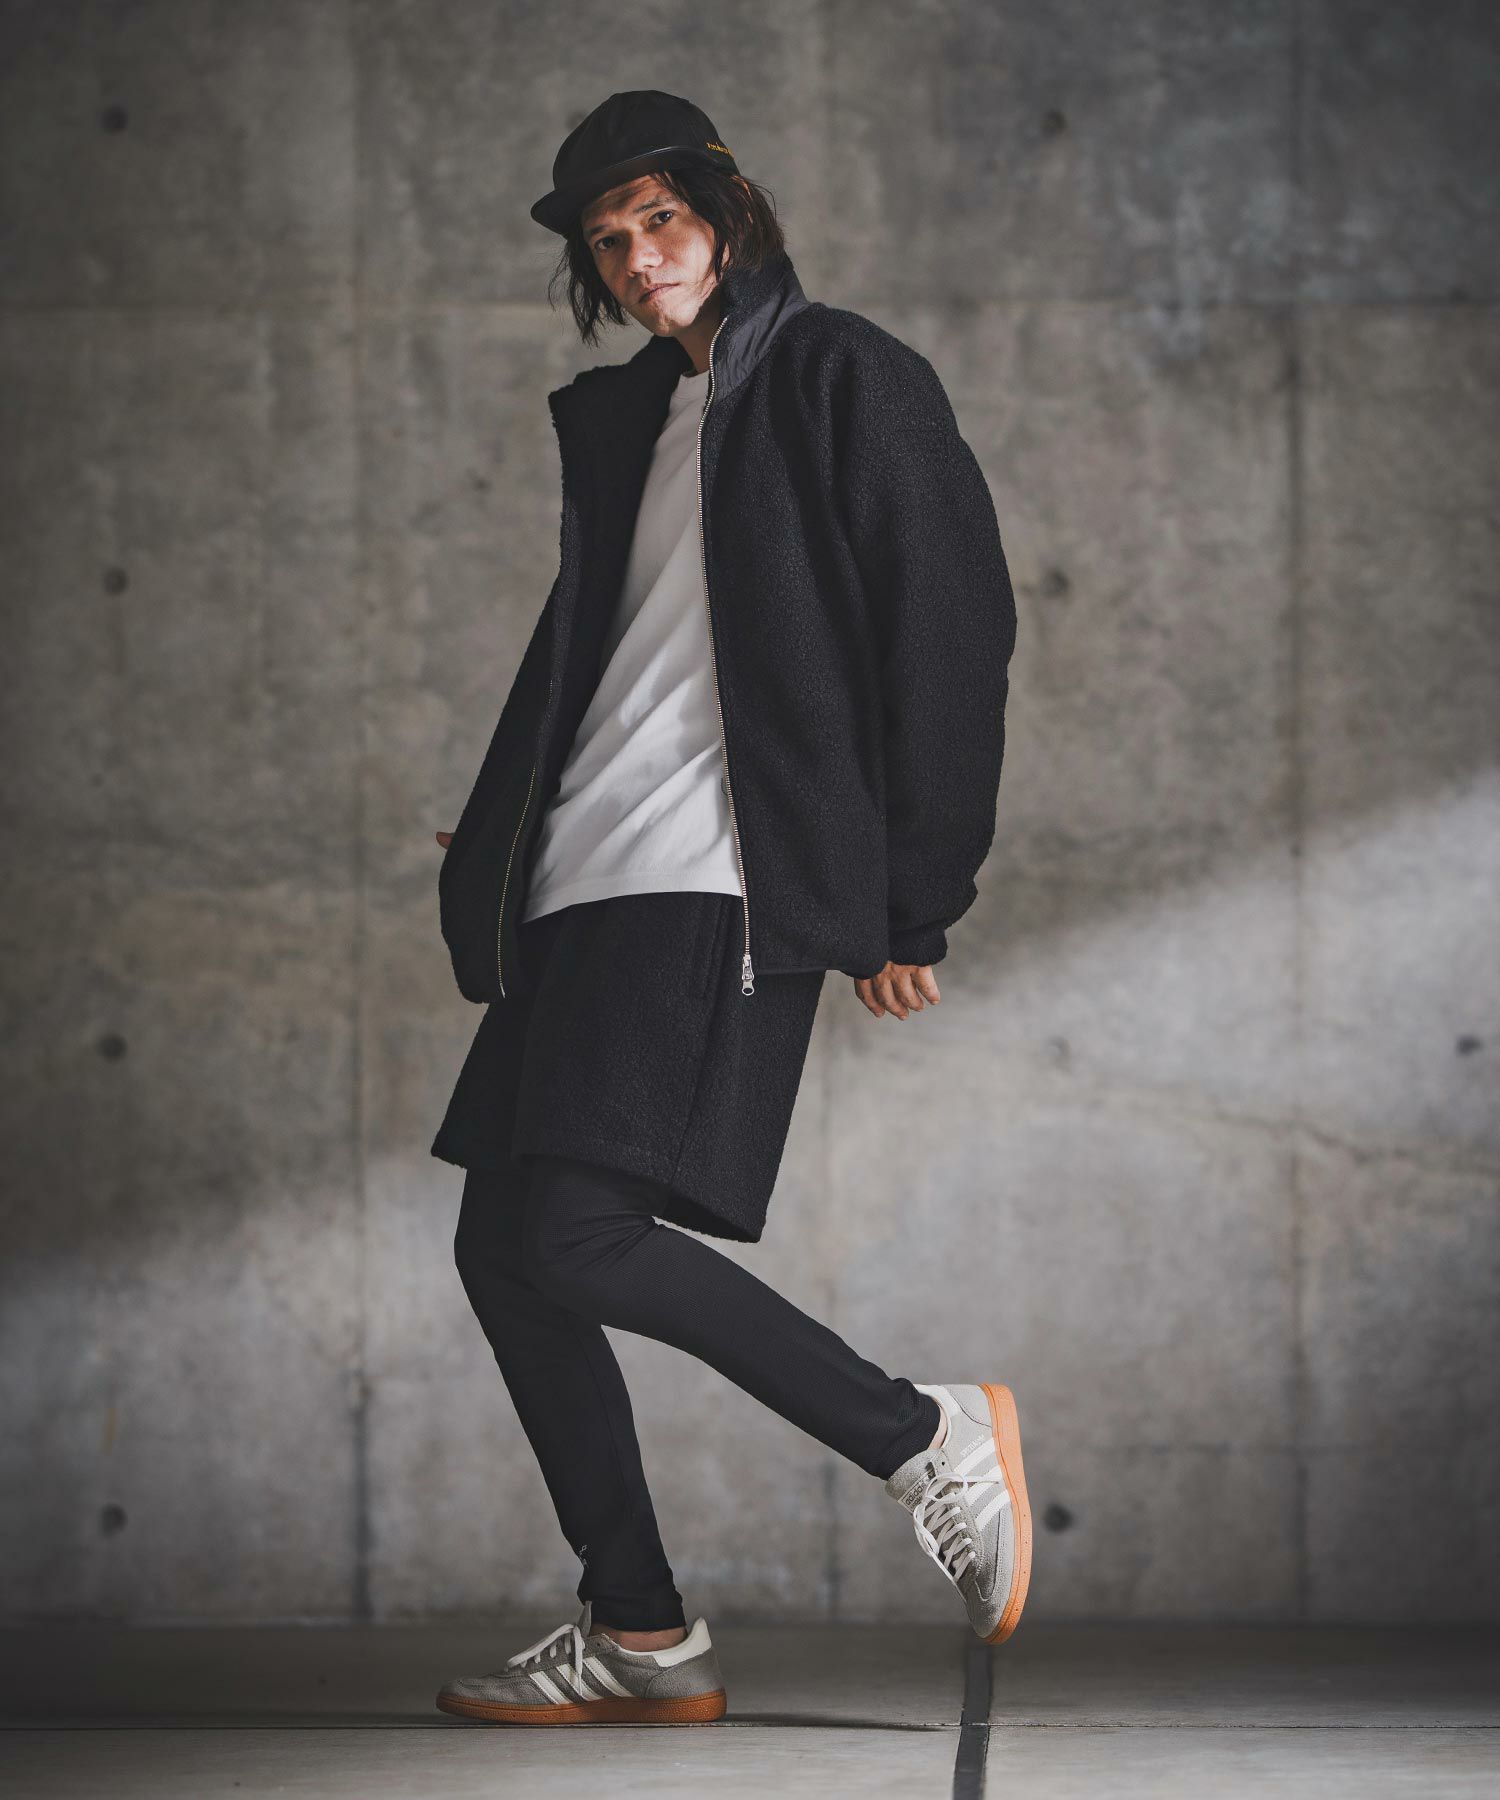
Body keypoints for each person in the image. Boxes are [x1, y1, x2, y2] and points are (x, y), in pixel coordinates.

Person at [429, 90, 1024, 1726]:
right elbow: (594, 659)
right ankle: (640, 1629)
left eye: (661, 221)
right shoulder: (635, 418)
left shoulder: (843, 374)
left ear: (728, 211)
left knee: (578, 1233)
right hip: (585, 876)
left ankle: (921, 1435)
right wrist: (507, 831)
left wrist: (911, 897)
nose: (639, 259)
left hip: (715, 874)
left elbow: (950, 633)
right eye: (610, 240)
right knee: (506, 1251)